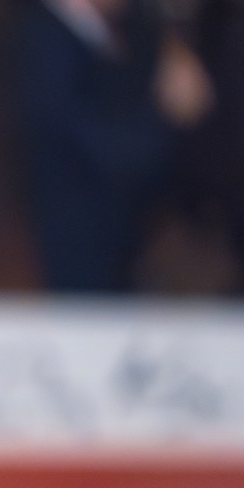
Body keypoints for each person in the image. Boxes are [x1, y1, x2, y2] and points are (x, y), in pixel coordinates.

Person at [18, 0, 215, 292]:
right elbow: (94, 137)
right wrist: (171, 115)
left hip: (128, 217)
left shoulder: (121, 21)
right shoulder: (42, 39)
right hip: (79, 226)